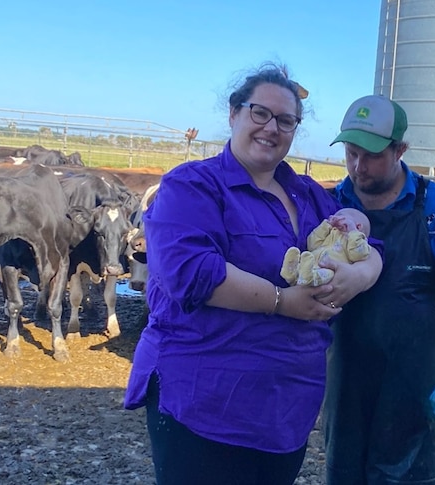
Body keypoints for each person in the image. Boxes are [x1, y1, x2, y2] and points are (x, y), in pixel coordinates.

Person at [122, 64, 383, 485]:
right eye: (260, 113)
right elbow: (191, 272)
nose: (271, 128)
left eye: (285, 120)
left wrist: (365, 273)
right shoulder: (191, 186)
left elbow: (365, 245)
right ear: (234, 113)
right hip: (206, 404)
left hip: (287, 410)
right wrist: (284, 303)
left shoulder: (310, 195)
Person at [322, 94, 435, 485]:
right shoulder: (331, 204)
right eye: (350, 153)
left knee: (406, 474)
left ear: (401, 149)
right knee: (343, 471)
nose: (358, 167)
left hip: (414, 374)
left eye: (371, 155)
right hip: (346, 369)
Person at [280, 207, 371, 287]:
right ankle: (292, 274)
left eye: (342, 217)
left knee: (328, 274)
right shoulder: (330, 233)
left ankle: (310, 277)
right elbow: (312, 245)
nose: (335, 218)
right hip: (312, 263)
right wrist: (326, 225)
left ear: (358, 226)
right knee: (304, 264)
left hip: (331, 270)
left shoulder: (359, 242)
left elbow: (357, 255)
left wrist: (353, 232)